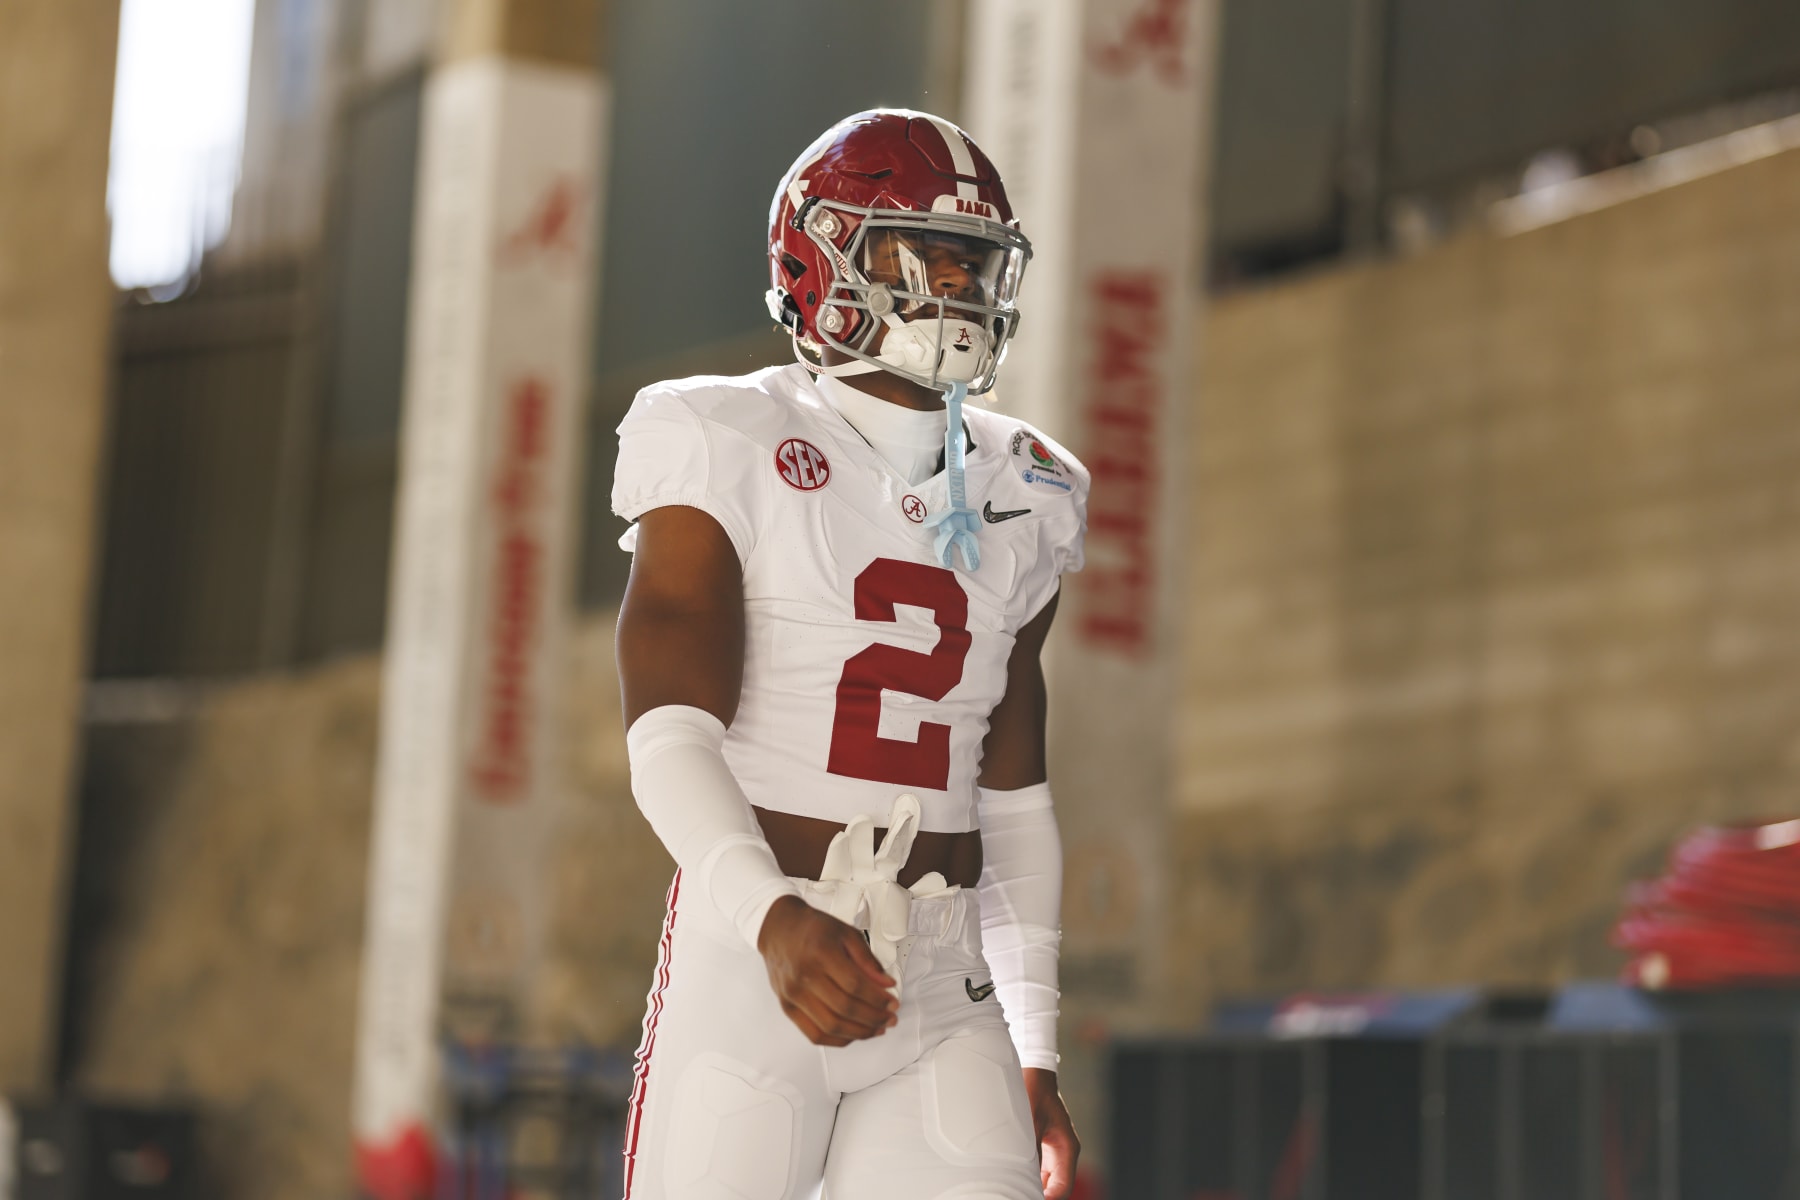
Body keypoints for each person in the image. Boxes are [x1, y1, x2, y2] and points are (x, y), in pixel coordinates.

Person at [611, 108, 1086, 1200]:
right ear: (821, 255)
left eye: (974, 260)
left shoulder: (1029, 487)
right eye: (922, 252)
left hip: (944, 977)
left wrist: (1036, 1038)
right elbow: (667, 733)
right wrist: (771, 919)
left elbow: (1012, 799)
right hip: (756, 959)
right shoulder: (721, 435)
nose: (957, 286)